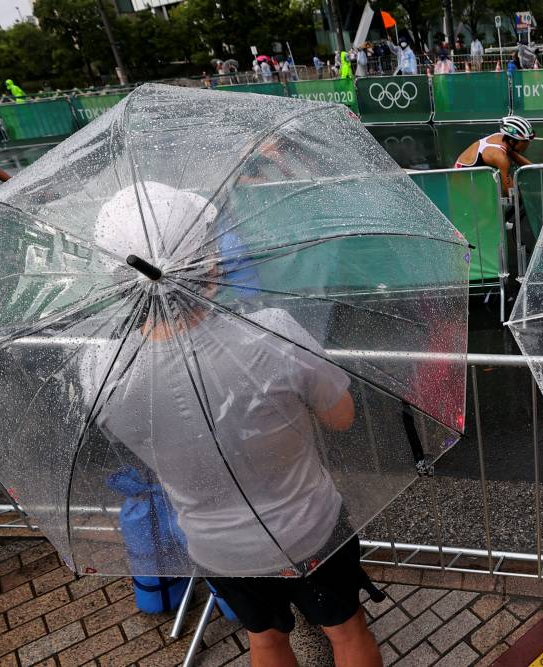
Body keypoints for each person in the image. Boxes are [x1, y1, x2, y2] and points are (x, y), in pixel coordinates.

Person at [90, 183, 385, 667]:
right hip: (308, 527)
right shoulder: (272, 332)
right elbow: (341, 417)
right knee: (346, 631)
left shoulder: (101, 370)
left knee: (266, 639)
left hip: (216, 546)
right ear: (208, 263)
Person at [453, 115, 534, 194]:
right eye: (525, 142)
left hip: (467, 174)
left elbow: (515, 156)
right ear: (512, 141)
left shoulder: (503, 139)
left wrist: (537, 169)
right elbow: (510, 191)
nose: (527, 145)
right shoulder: (500, 157)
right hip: (461, 180)